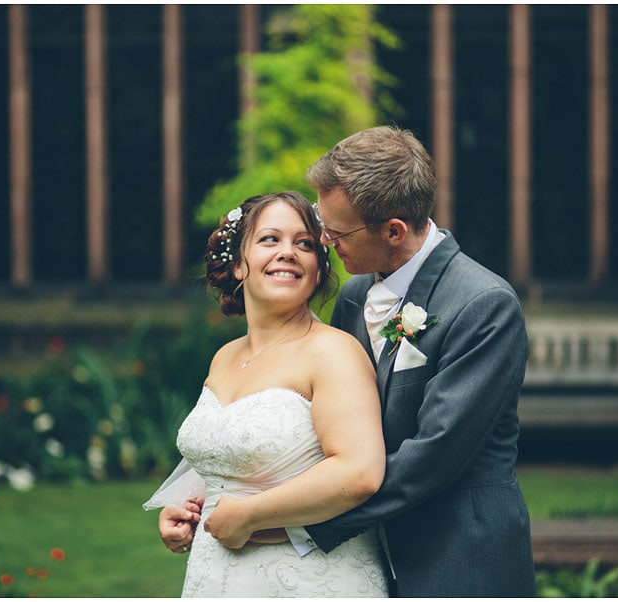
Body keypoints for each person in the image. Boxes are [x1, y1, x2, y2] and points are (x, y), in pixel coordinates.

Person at [161, 126, 536, 597]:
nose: (323, 240)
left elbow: (432, 458)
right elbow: (313, 429)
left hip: (455, 555)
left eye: (333, 231)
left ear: (393, 231)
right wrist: (198, 501)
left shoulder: (484, 305)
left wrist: (290, 525)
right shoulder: (358, 295)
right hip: (362, 547)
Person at [146, 191, 390, 597]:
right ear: (239, 264)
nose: (288, 252)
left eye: (305, 243)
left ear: (317, 270)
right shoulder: (225, 358)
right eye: (270, 239)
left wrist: (248, 515)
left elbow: (358, 472)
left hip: (309, 579)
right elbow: (227, 454)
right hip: (215, 576)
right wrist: (187, 506)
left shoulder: (333, 352)